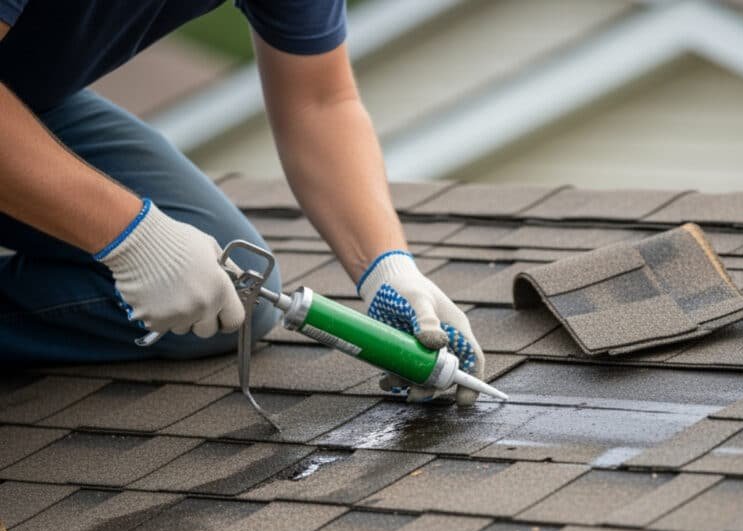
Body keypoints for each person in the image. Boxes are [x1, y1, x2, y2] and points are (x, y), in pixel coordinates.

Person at [0, 0, 485, 405]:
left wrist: (387, 268)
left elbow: (318, 100)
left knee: (233, 304)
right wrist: (130, 235)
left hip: (23, 101)